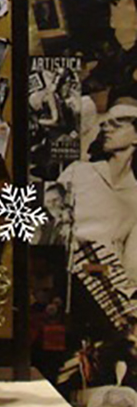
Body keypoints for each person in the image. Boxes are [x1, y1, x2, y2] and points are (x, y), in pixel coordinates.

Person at [58, 102, 137, 289]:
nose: (107, 129)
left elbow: (132, 267)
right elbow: (44, 226)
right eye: (105, 124)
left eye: (117, 124)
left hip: (106, 291)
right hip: (61, 279)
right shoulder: (78, 172)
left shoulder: (135, 195)